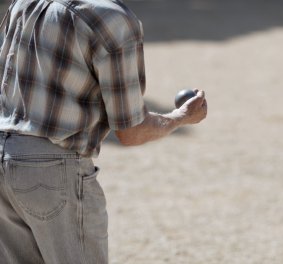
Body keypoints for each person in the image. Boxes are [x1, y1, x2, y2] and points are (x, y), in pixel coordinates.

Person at [0, 0, 207, 263]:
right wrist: (180, 117)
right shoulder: (111, 19)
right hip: (52, 169)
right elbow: (131, 131)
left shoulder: (26, 3)